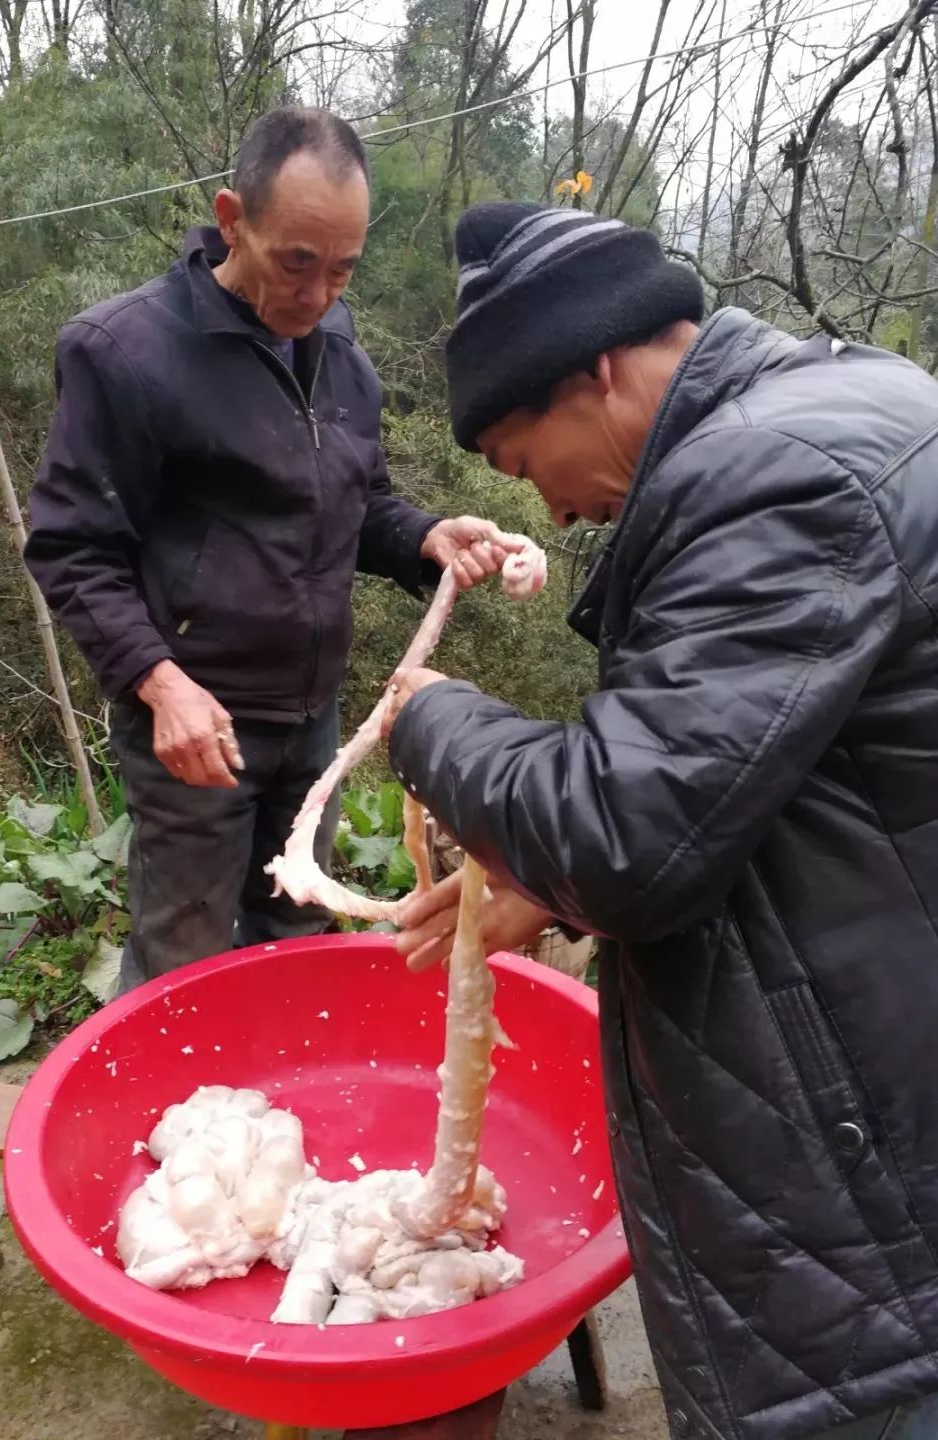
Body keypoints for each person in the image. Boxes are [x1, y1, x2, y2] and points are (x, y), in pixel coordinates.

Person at [383, 202, 938, 1440]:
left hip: (874, 1182)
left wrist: (436, 723)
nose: (562, 515)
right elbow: (795, 778)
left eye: (529, 466)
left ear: (596, 366)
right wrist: (545, 882)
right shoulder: (838, 410)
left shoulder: (779, 478)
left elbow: (627, 839)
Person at [25, 108, 515, 994]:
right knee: (185, 957)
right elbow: (71, 546)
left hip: (313, 720)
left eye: (342, 269)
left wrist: (426, 538)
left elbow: (355, 504)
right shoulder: (126, 354)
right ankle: (172, 1123)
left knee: (297, 932)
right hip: (196, 725)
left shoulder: (340, 354)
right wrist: (159, 684)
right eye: (298, 262)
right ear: (231, 219)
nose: (320, 294)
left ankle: (275, 1124)